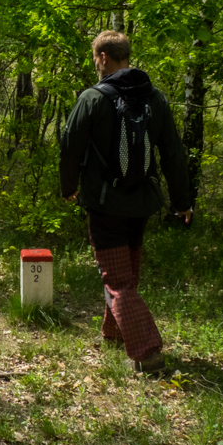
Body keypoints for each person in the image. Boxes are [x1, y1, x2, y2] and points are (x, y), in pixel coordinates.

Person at [59, 30, 191, 374]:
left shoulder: (92, 98)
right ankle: (113, 334)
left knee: (116, 280)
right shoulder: (156, 99)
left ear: (103, 58)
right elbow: (173, 153)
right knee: (126, 274)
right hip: (143, 204)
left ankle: (148, 354)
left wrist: (68, 187)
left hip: (106, 204)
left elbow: (70, 147)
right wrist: (182, 201)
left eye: (95, 59)